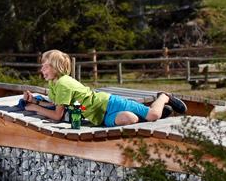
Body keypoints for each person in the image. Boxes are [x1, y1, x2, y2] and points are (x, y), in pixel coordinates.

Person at [20, 49, 188, 127]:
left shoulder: (63, 83)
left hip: (108, 103)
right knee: (129, 119)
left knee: (153, 115)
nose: (41, 69)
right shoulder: (53, 83)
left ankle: (164, 97)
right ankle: (150, 113)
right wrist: (35, 101)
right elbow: (54, 105)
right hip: (98, 118)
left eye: (45, 66)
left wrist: (35, 108)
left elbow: (58, 115)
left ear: (56, 68)